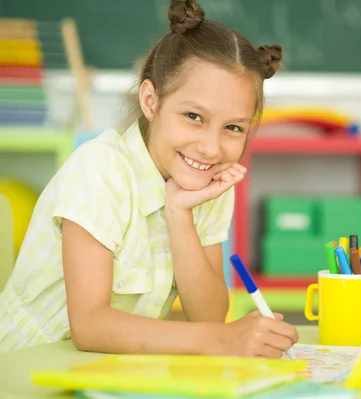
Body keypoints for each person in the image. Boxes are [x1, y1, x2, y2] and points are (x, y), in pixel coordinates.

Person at [0, 0, 298, 358]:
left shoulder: (208, 184)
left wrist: (180, 214)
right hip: (23, 367)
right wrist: (220, 341)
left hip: (104, 374)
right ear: (151, 101)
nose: (210, 147)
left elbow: (208, 315)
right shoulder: (100, 169)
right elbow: (90, 326)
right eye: (193, 116)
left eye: (233, 127)